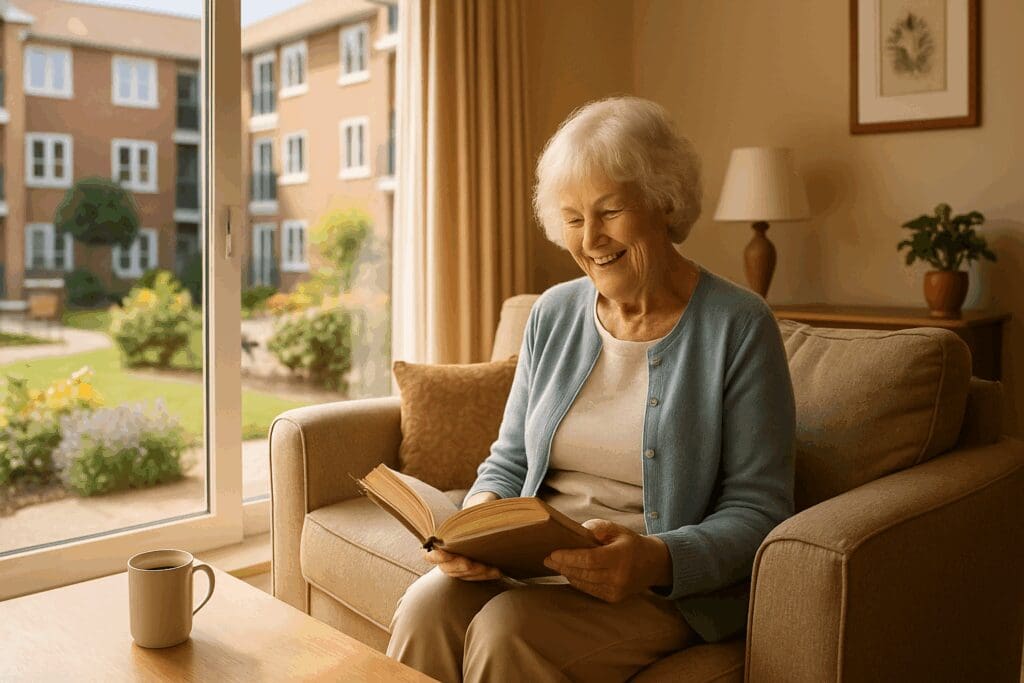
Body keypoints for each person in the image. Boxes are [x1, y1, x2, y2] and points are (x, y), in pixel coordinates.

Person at [387, 96, 796, 682]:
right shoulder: (552, 313)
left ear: (664, 202)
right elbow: (509, 461)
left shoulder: (739, 325)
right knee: (428, 607)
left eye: (610, 211)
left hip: (653, 590)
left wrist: (657, 558)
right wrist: (475, 524)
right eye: (574, 219)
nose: (592, 239)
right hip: (536, 565)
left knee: (506, 634)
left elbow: (760, 510)